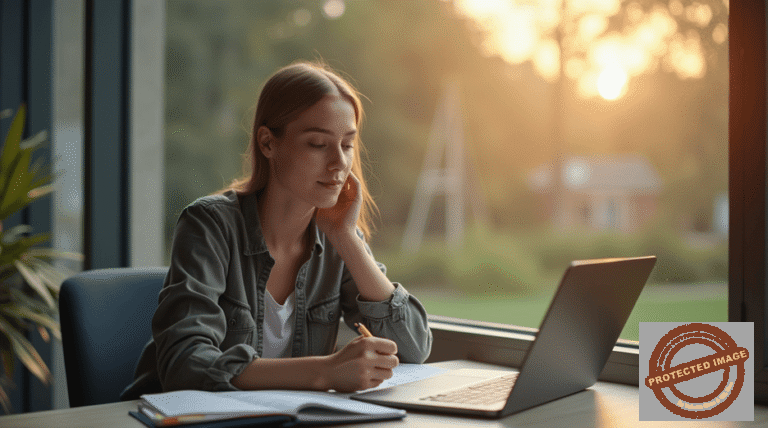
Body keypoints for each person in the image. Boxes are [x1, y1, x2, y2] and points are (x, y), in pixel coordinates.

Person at [121, 61, 432, 399]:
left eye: (347, 144)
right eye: (317, 144)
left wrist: (347, 239)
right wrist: (325, 371)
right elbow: (184, 365)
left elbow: (414, 347)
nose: (339, 163)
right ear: (268, 143)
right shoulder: (209, 225)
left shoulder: (336, 237)